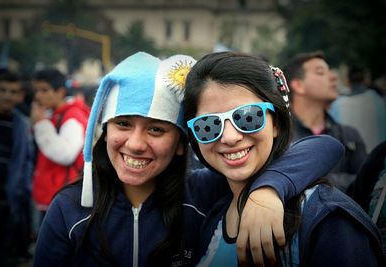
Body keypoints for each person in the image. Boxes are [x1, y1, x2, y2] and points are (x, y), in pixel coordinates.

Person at [33, 52, 344, 266]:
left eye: (156, 129)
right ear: (103, 130)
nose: (136, 143)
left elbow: (324, 147)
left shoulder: (205, 193)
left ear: (183, 143)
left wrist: (269, 188)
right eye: (123, 124)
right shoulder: (71, 208)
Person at [184, 51, 385, 266]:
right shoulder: (213, 212)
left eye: (248, 117)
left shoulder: (325, 218)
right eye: (208, 125)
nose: (230, 137)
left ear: (276, 124)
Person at [281, 51, 367, 193]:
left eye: (330, 71)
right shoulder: (280, 134)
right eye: (320, 72)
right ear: (298, 85)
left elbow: (366, 182)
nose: (334, 77)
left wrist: (312, 180)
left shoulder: (349, 137)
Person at [0, 70, 34, 266]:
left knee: (4, 257)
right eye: (3, 90)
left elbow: (27, 161)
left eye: (13, 91)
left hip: (11, 201)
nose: (7, 95)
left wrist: (22, 190)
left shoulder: (22, 125)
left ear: (19, 95)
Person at [30, 68, 90, 225]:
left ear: (60, 91)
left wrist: (41, 124)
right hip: (52, 193)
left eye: (44, 90)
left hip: (61, 196)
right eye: (36, 90)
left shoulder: (72, 116)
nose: (38, 96)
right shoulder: (54, 113)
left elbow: (65, 154)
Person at [330, 65, 386, 152]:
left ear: (347, 81)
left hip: (351, 156)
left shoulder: (337, 104)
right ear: (366, 80)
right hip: (376, 155)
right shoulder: (377, 100)